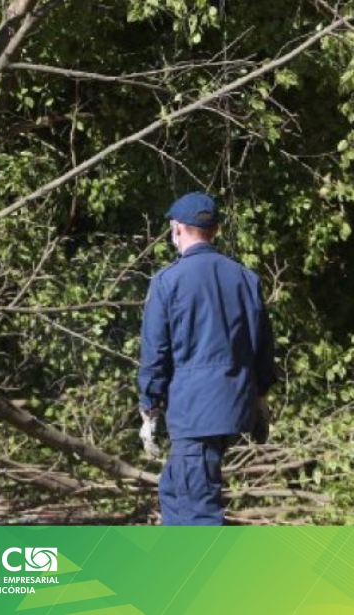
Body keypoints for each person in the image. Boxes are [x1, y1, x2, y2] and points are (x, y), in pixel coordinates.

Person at [137, 192, 277, 526]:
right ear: (213, 231)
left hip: (195, 409)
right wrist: (260, 398)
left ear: (177, 229)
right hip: (235, 404)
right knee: (175, 489)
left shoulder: (167, 281)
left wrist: (150, 406)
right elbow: (263, 346)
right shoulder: (245, 278)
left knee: (197, 509)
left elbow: (156, 352)